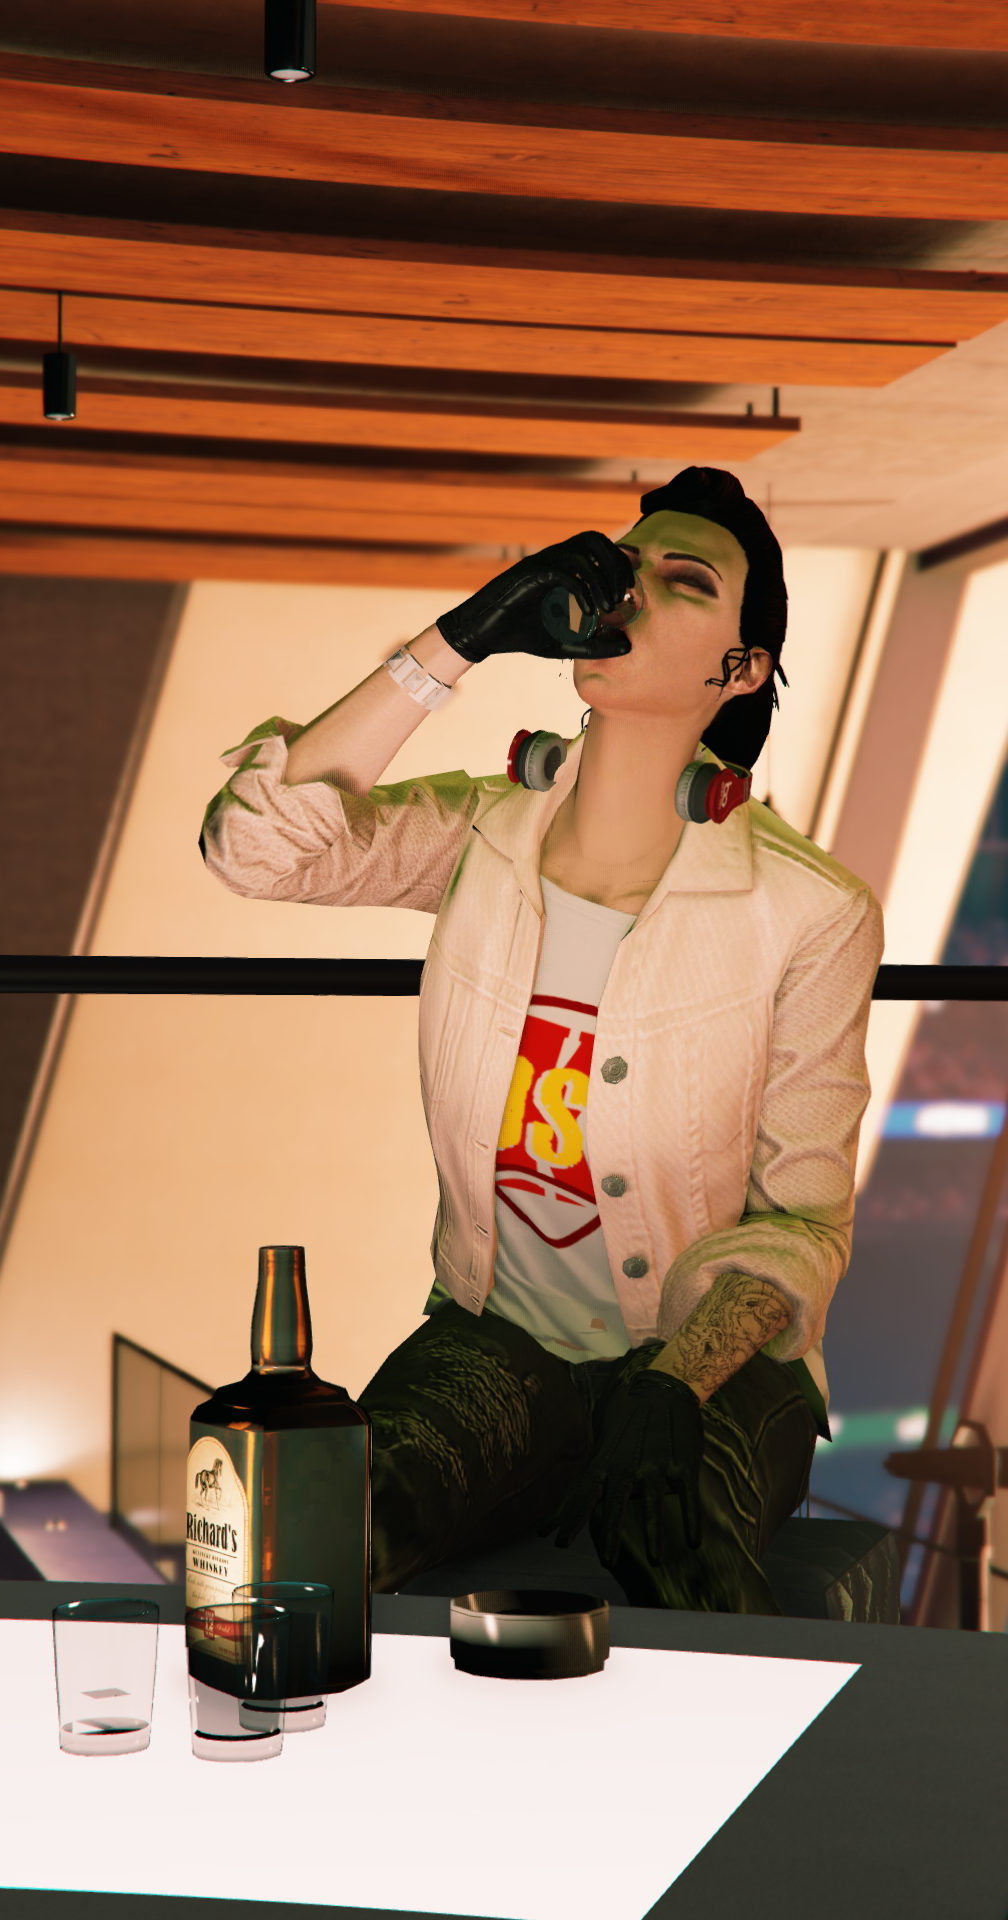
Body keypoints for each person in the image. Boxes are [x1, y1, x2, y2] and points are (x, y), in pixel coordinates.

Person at [200, 466, 883, 1614]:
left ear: (739, 669)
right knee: (315, 1537)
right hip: (496, 1340)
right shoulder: (484, 830)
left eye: (683, 580)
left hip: (702, 1361)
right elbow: (255, 851)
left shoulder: (809, 909)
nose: (630, 591)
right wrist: (459, 639)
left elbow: (803, 1222)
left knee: (677, 1558)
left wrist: (676, 1382)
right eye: (625, 564)